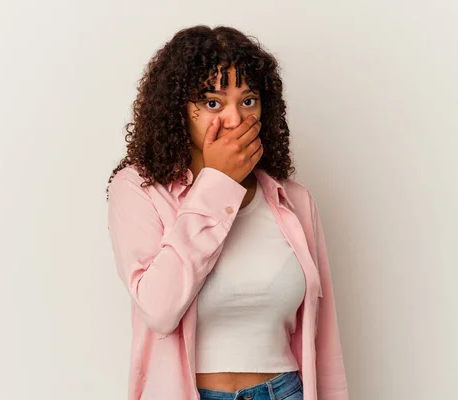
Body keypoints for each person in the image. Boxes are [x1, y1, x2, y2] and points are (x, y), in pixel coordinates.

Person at [106, 25, 348, 400]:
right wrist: (218, 185)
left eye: (248, 100)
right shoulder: (139, 191)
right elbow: (159, 309)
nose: (236, 120)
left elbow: (325, 342)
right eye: (213, 103)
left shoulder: (294, 201)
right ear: (179, 111)